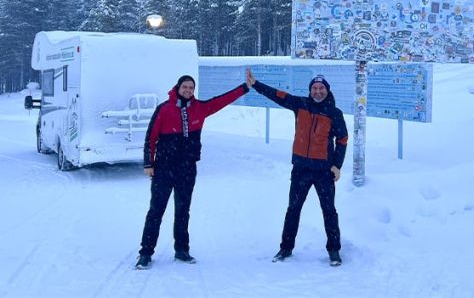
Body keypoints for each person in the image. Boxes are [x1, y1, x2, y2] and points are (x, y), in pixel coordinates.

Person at [135, 75, 249, 269]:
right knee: (156, 211)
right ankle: (146, 252)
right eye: (185, 87)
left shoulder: (199, 108)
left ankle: (182, 250)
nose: (188, 90)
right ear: (178, 87)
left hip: (187, 168)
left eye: (191, 87)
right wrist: (149, 164)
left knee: (182, 211)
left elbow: (221, 101)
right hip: (164, 168)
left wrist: (245, 87)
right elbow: (150, 137)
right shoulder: (164, 109)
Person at [246, 69, 348, 266]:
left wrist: (337, 165)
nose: (318, 91)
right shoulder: (300, 104)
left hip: (324, 171)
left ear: (327, 90)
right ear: (310, 90)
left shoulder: (334, 113)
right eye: (315, 88)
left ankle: (334, 250)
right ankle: (286, 248)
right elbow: (278, 96)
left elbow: (342, 140)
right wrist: (256, 85)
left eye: (321, 88)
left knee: (329, 210)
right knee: (293, 209)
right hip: (301, 168)